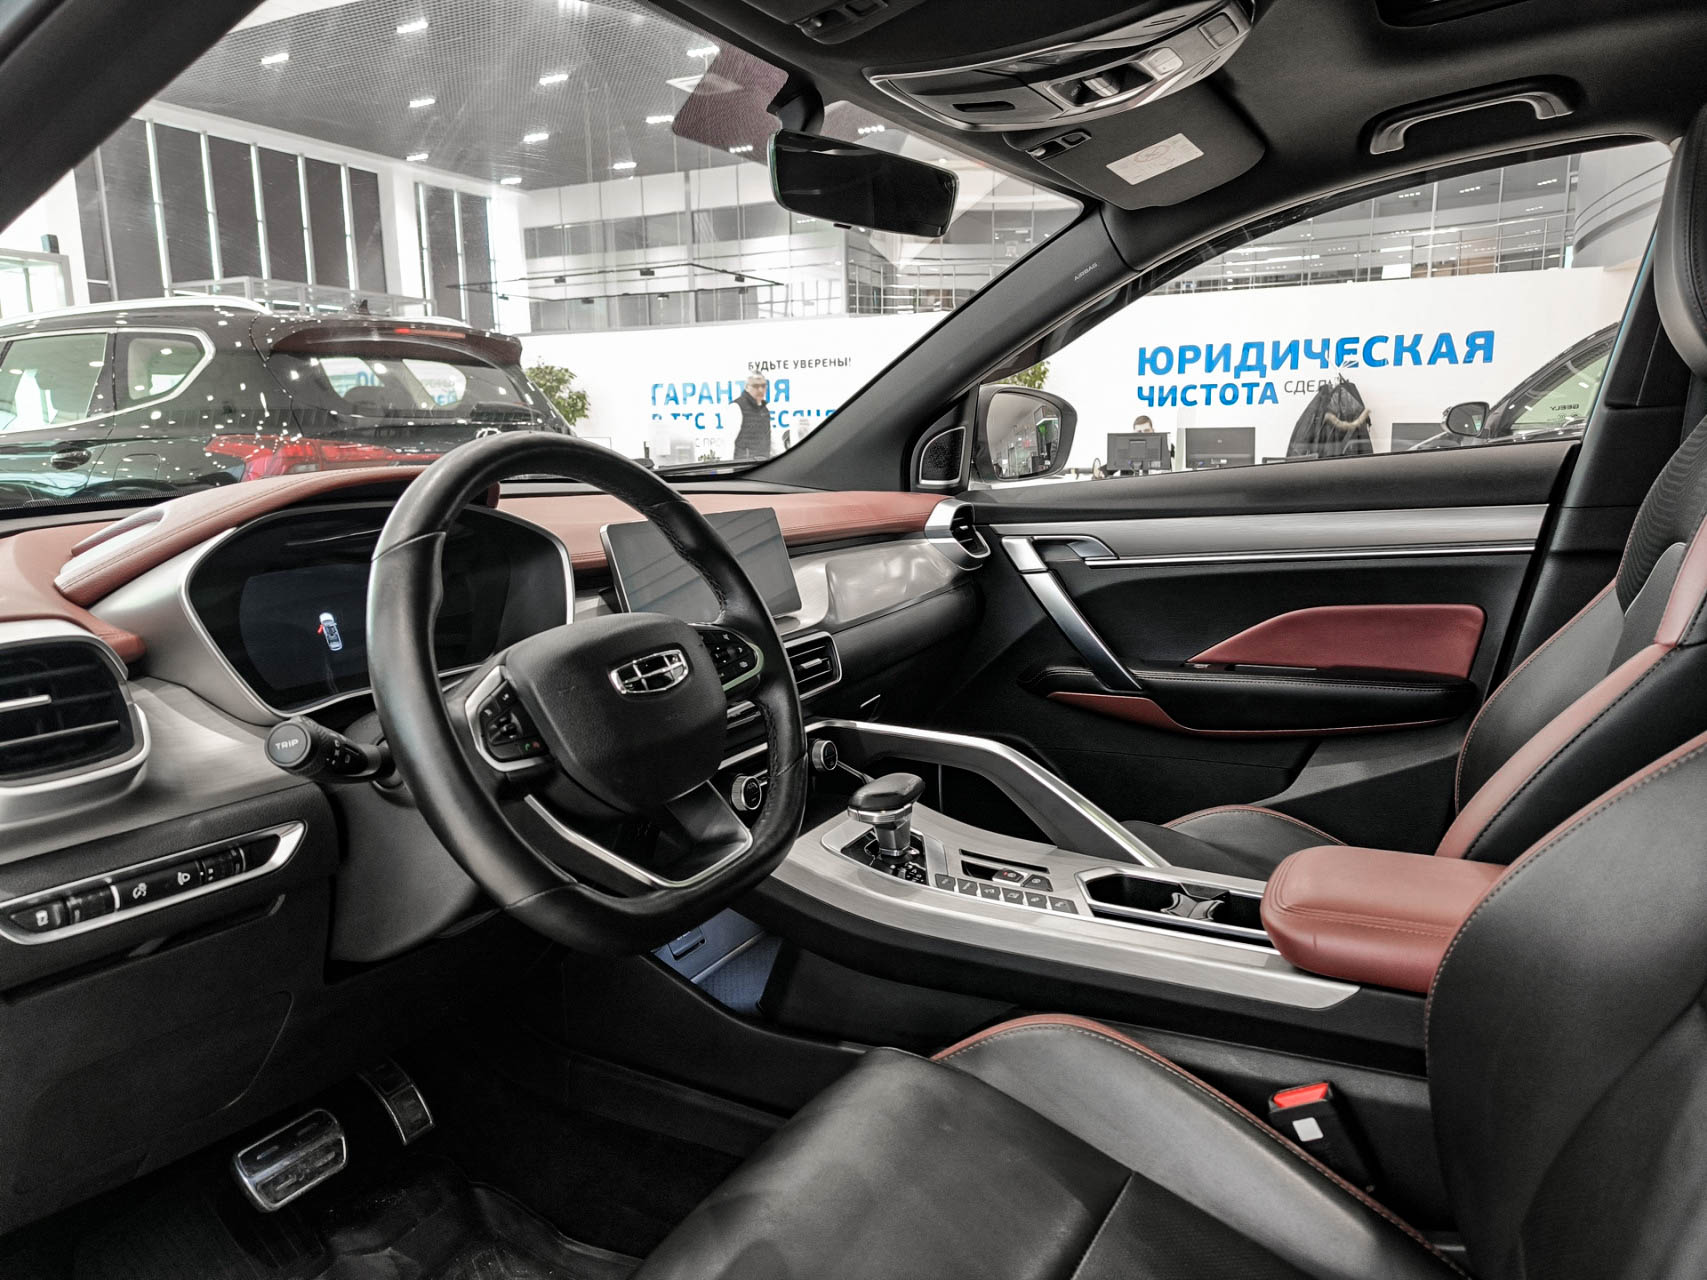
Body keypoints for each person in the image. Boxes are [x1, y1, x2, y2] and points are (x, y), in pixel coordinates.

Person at [734, 373, 773, 461]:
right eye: (756, 386)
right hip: (744, 466)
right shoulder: (737, 407)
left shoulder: (765, 409)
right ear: (747, 387)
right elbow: (728, 443)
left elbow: (771, 440)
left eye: (763, 386)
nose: (760, 390)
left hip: (764, 464)